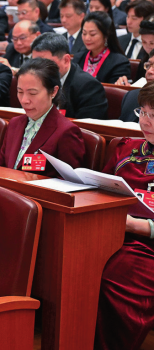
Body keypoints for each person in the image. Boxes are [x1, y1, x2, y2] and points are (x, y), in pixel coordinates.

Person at [94, 82, 154, 349]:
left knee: (112, 278)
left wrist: (135, 226)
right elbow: (101, 188)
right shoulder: (126, 149)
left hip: (146, 245)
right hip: (112, 232)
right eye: (143, 113)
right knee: (71, 264)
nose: (146, 122)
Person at [0, 59, 85, 178]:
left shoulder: (66, 131)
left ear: (53, 91)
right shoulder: (14, 123)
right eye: (20, 92)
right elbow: (0, 169)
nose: (24, 100)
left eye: (32, 93)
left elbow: (69, 181)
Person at [31, 32, 108, 120]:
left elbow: (86, 127)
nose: (39, 69)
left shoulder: (89, 87)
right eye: (35, 62)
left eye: (45, 63)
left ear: (66, 60)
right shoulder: (33, 80)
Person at [73, 12, 131, 84]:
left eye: (92, 34)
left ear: (106, 35)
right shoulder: (78, 58)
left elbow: (115, 90)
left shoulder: (119, 63)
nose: (87, 38)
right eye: (84, 33)